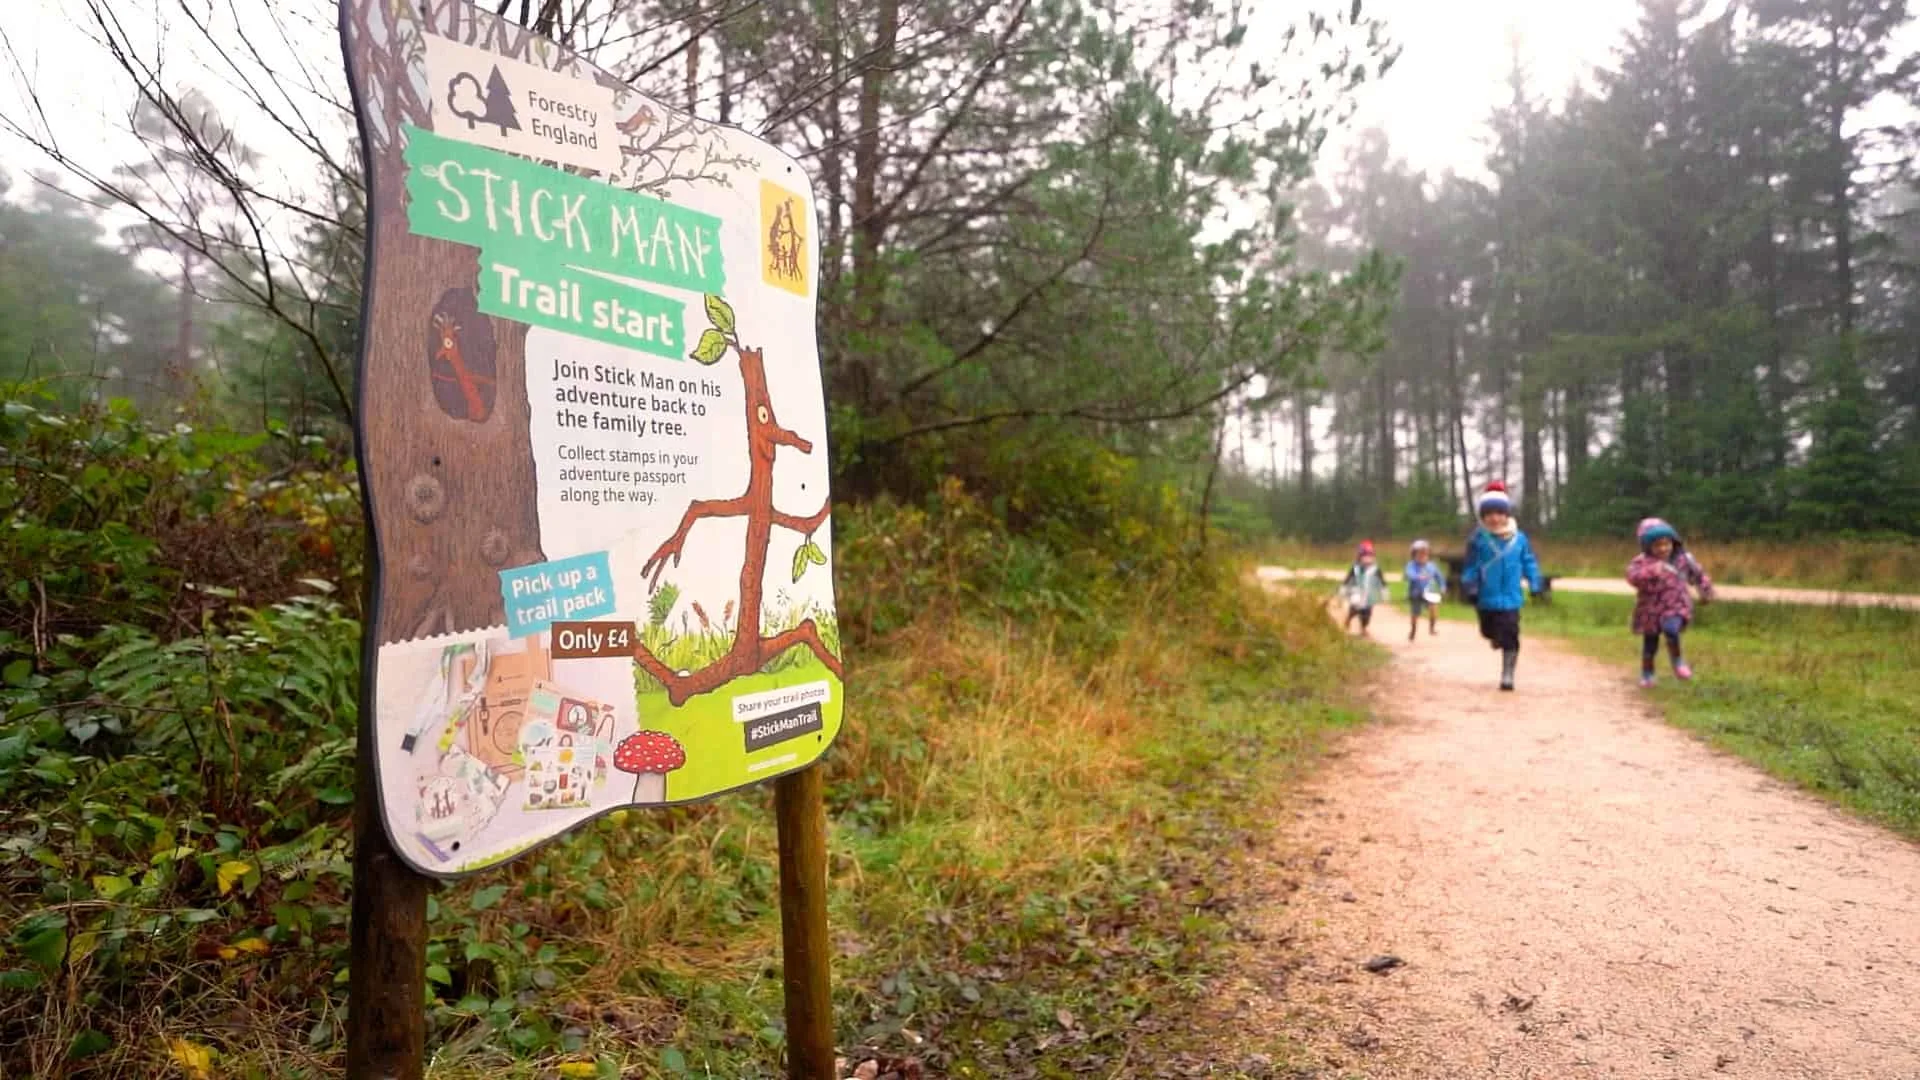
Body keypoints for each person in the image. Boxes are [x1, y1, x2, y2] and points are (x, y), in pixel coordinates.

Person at [1460, 481, 1544, 691]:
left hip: (1511, 598)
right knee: (1488, 631)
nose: (1494, 518)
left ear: (1507, 514)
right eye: (1489, 513)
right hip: (1485, 597)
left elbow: (1529, 562)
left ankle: (1508, 675)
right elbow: (1470, 566)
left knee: (1511, 633)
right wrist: (1470, 586)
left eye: (1499, 513)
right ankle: (1495, 637)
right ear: (1482, 516)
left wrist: (1535, 583)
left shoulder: (1519, 539)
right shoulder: (1478, 539)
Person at [1626, 517, 1714, 688]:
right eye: (1657, 545)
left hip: (1676, 604)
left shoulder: (1683, 559)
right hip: (1650, 609)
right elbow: (1632, 577)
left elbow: (1698, 575)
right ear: (1647, 546)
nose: (1663, 548)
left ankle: (1678, 661)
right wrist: (1651, 571)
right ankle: (1647, 673)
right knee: (1650, 643)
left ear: (1673, 542)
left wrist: (1706, 591)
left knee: (1671, 629)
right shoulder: (1641, 562)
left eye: (1666, 543)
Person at [1339, 540, 1388, 636]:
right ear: (1359, 557)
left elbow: (1382, 582)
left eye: (1370, 556)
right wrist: (1343, 589)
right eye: (1365, 556)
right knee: (1355, 609)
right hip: (1356, 593)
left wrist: (1384, 593)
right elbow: (1347, 579)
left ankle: (1363, 628)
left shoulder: (1375, 569)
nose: (1367, 559)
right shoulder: (1355, 568)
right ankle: (1349, 618)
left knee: (1367, 613)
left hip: (1369, 595)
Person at [1404, 539, 1446, 641]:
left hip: (1429, 592)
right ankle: (1413, 630)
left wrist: (1442, 586)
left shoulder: (1431, 566)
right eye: (1419, 554)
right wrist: (1417, 577)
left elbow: (1439, 577)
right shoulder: (1411, 565)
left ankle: (1432, 628)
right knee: (1415, 614)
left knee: (1434, 609)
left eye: (1425, 554)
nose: (1422, 556)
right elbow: (1409, 574)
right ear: (1414, 555)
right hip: (1416, 593)